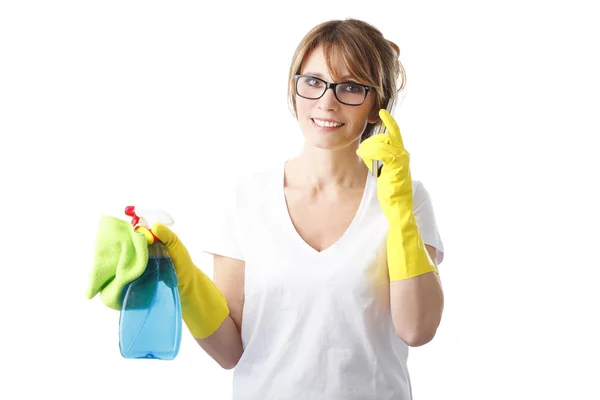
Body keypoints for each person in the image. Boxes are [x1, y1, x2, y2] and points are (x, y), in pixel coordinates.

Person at [147, 17, 445, 400]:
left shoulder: (408, 198)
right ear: (295, 89)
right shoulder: (247, 198)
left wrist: (400, 214)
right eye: (313, 82)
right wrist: (181, 276)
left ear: (377, 107)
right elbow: (228, 351)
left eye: (351, 87)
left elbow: (417, 330)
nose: (327, 101)